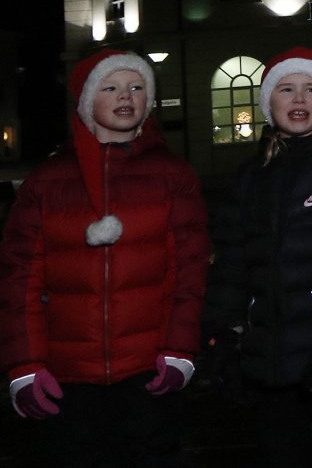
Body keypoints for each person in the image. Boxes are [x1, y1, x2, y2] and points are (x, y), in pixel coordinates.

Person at [0, 49, 210, 466]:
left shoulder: (173, 175)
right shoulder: (47, 182)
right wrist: (24, 365)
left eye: (136, 87)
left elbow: (189, 272)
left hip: (149, 372)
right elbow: (19, 280)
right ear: (86, 100)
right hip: (68, 378)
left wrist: (179, 351)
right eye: (111, 87)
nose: (126, 96)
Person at [202, 47, 312, 467]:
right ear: (267, 102)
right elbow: (232, 263)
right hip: (268, 362)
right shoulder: (250, 176)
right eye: (286, 89)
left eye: (310, 89)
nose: (299, 99)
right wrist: (224, 340)